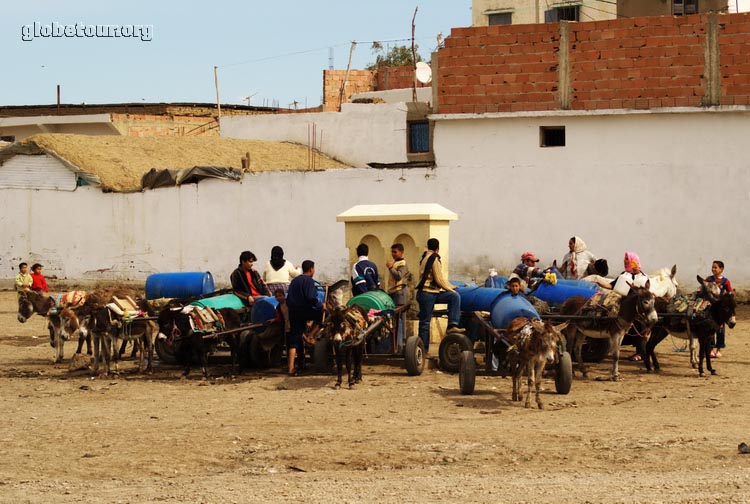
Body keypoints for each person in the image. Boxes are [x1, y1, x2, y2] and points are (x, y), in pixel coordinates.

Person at [415, 238, 465, 354]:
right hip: (429, 293)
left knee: (424, 323)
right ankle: (452, 325)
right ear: (438, 248)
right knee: (454, 297)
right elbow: (439, 279)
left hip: (425, 293)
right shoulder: (434, 258)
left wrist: (448, 286)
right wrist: (450, 288)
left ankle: (422, 350)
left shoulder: (424, 257)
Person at [286, 260, 324, 375]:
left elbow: (289, 299)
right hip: (305, 312)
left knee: (294, 340)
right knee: (321, 316)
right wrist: (321, 305)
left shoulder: (294, 281)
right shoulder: (309, 281)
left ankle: (291, 368)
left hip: (293, 313)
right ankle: (310, 336)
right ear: (311, 269)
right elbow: (311, 298)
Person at [706, 260, 733, 358]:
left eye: (715, 267)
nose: (713, 269)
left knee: (720, 328)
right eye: (712, 267)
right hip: (711, 308)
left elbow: (730, 293)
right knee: (711, 328)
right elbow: (703, 288)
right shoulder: (709, 279)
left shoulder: (726, 281)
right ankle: (711, 349)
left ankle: (719, 349)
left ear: (721, 269)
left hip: (721, 310)